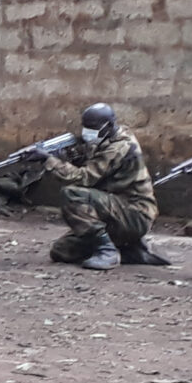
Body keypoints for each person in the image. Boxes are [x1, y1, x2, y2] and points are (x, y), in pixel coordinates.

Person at [26, 102, 168, 269]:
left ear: (109, 125)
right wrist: (65, 157)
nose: (88, 131)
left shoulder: (119, 146)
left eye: (93, 127)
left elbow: (83, 177)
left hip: (135, 213)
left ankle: (108, 251)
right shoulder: (107, 139)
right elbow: (93, 168)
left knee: (72, 194)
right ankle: (130, 250)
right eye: (86, 126)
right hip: (116, 210)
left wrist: (48, 160)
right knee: (62, 251)